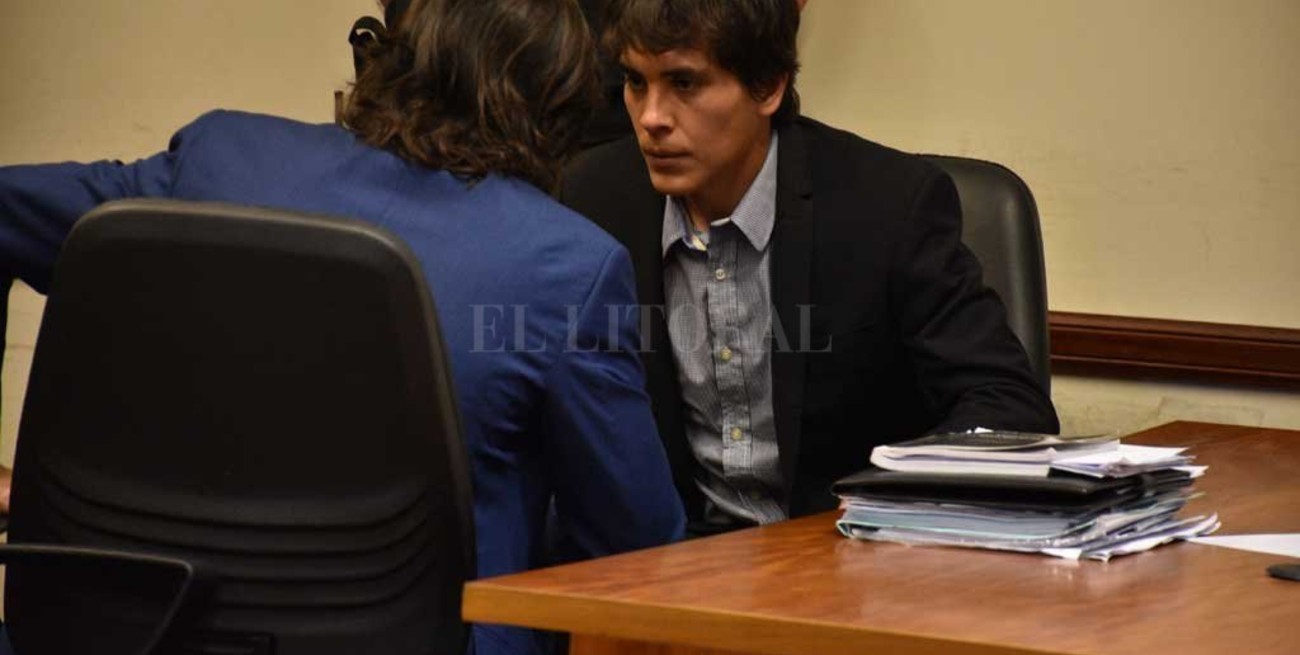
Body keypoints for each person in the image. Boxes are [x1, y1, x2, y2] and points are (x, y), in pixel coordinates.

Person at [0, 1, 684, 653]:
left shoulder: (217, 157)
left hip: (117, 631)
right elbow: (638, 550)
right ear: (556, 111)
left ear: (386, 56)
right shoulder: (567, 267)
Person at [560, 0, 1059, 536]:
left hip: (849, 551)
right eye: (636, 82)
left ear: (768, 87)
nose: (651, 117)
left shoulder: (888, 206)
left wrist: (891, 504)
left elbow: (1008, 407)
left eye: (684, 83)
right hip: (672, 560)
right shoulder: (593, 196)